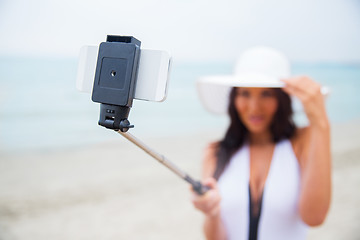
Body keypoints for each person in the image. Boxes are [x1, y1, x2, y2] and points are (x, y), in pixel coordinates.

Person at [191, 47, 331, 240]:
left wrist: (321, 124)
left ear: (282, 99)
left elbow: (314, 217)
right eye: (245, 93)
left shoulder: (302, 141)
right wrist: (211, 212)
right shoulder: (215, 151)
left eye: (266, 94)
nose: (254, 107)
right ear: (234, 98)